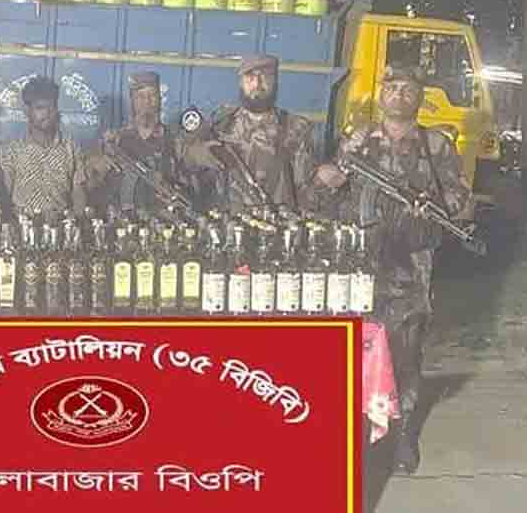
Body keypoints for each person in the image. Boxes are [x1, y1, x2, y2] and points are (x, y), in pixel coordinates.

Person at [315, 65, 473, 474]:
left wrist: (434, 207)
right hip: (358, 264)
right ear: (381, 93)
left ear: (419, 97)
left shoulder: (436, 145)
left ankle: (402, 438)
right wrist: (331, 177)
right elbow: (330, 187)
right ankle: (349, 433)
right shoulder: (359, 139)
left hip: (409, 265)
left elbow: (460, 196)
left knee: (405, 354)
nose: (398, 95)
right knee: (351, 352)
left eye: (407, 89)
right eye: (392, 87)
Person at [183, 54, 330, 215]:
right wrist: (197, 155)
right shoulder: (219, 127)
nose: (257, 84)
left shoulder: (296, 129)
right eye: (250, 77)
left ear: (275, 81)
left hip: (277, 224)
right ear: (241, 82)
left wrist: (322, 182)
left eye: (264, 77)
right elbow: (187, 171)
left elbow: (307, 194)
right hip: (227, 224)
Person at [78, 71, 193, 214]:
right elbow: (88, 182)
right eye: (140, 97)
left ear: (159, 99)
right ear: (132, 100)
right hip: (122, 221)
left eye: (152, 95)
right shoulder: (115, 140)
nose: (147, 102)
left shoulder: (175, 141)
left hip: (164, 220)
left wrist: (176, 192)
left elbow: (191, 183)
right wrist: (98, 166)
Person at [0, 75, 86, 215]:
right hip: (22, 224)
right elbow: (4, 194)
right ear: (27, 111)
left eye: (52, 107)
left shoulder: (71, 148)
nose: (47, 113)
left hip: (60, 224)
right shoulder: (12, 149)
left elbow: (78, 191)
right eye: (40, 108)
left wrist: (78, 219)